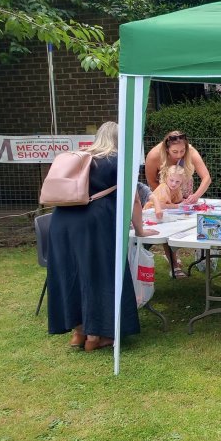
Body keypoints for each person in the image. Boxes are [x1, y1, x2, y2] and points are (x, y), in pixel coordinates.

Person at [47, 121, 158, 352]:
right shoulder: (117, 161)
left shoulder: (81, 156)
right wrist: (140, 231)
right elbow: (135, 199)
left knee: (71, 274)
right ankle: (96, 336)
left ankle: (78, 332)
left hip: (61, 223)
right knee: (99, 275)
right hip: (93, 224)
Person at [144, 131, 211, 276]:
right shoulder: (154, 155)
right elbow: (151, 181)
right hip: (163, 193)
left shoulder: (191, 151)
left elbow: (206, 177)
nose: (179, 155)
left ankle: (200, 257)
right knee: (166, 227)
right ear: (166, 148)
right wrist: (167, 196)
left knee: (186, 224)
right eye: (175, 152)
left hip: (184, 194)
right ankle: (174, 265)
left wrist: (195, 196)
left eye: (182, 151)